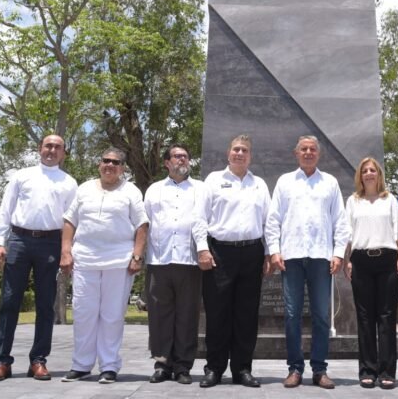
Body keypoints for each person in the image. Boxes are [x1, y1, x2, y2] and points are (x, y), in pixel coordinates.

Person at [0, 134, 78, 383]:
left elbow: (71, 222)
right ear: (40, 149)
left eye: (58, 147)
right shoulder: (21, 176)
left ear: (64, 153)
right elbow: (5, 209)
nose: (52, 150)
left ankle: (38, 360)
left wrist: (66, 252)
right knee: (9, 302)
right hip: (19, 241)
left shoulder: (69, 183)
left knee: (45, 305)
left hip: (51, 244)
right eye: (48, 145)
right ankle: (1, 361)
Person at [266, 135, 350, 389]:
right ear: (296, 153)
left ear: (318, 154)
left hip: (320, 257)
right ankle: (294, 368)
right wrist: (274, 250)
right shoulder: (284, 182)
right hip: (290, 256)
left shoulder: (330, 183)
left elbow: (341, 222)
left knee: (321, 316)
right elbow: (273, 220)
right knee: (292, 315)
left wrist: (337, 253)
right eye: (304, 149)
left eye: (313, 149)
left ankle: (320, 369)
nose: (309, 152)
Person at [59, 147, 148, 385]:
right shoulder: (85, 188)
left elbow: (142, 225)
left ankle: (109, 366)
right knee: (83, 313)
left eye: (115, 162)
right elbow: (69, 221)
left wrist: (137, 256)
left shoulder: (130, 191)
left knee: (112, 315)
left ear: (123, 168)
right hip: (85, 260)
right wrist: (66, 252)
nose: (109, 165)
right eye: (105, 161)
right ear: (99, 164)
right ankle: (81, 365)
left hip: (118, 261)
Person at [193, 135, 271, 388]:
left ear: (250, 156)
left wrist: (269, 254)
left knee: (246, 316)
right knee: (217, 315)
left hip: (251, 253)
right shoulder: (214, 180)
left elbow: (268, 222)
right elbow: (199, 218)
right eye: (236, 149)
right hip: (219, 255)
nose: (239, 153)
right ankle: (214, 368)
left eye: (244, 150)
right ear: (228, 154)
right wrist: (203, 250)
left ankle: (242, 369)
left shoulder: (259, 184)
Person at [143, 144, 208, 385]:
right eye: (177, 156)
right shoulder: (154, 190)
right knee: (160, 315)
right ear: (166, 162)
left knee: (187, 316)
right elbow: (146, 223)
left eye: (185, 156)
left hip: (189, 261)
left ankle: (182, 366)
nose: (182, 159)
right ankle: (162, 364)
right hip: (159, 261)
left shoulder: (201, 189)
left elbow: (203, 220)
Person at [344, 157, 398, 390]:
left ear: (378, 174)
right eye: (365, 171)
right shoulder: (353, 201)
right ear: (360, 176)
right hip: (361, 260)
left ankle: (387, 372)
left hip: (388, 259)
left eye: (373, 170)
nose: (369, 173)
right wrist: (347, 259)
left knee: (386, 316)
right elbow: (347, 232)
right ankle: (368, 371)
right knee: (364, 317)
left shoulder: (389, 199)